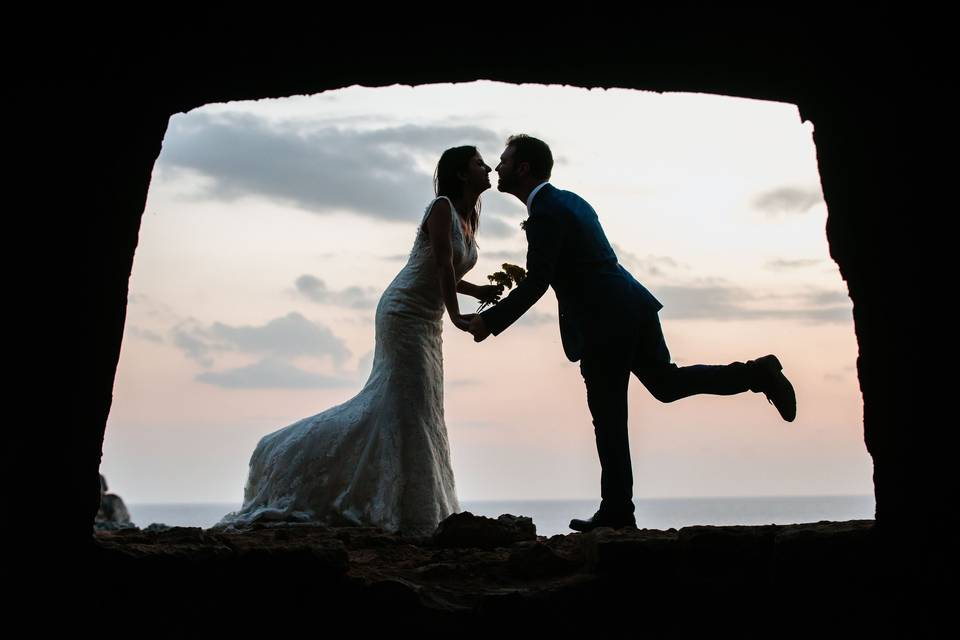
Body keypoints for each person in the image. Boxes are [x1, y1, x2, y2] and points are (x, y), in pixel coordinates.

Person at [465, 135, 796, 533]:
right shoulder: (571, 201)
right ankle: (756, 373)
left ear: (523, 168)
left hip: (605, 322)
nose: (497, 168)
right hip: (633, 306)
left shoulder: (546, 214)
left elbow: (538, 282)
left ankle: (618, 510)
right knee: (666, 384)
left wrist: (490, 322)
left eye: (503, 161)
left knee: (609, 417)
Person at [216, 146, 500, 536]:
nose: (488, 168)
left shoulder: (469, 218)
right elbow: (439, 264)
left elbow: (447, 271)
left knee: (419, 404)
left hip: (427, 319)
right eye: (480, 163)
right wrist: (456, 313)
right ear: (462, 173)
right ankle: (286, 459)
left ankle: (408, 501)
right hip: (402, 312)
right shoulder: (442, 207)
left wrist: (478, 289)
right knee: (405, 400)